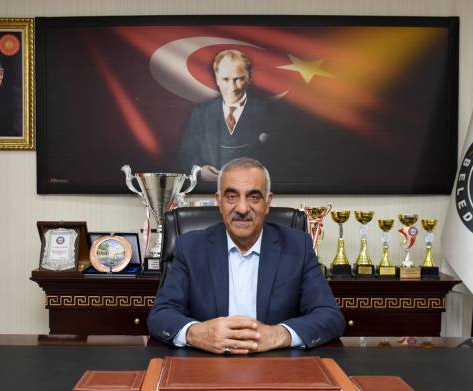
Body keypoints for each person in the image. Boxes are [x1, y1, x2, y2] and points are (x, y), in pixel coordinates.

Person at [147, 158, 345, 354]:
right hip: (207, 363)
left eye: (254, 197)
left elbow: (329, 316)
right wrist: (197, 333)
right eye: (231, 197)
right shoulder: (190, 247)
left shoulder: (297, 247)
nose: (242, 209)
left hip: (276, 364)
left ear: (268, 202)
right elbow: (161, 314)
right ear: (219, 201)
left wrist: (279, 335)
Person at [178, 50, 277, 182]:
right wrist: (199, 171)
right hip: (212, 189)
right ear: (217, 79)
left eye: (239, 79)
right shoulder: (201, 112)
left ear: (249, 78)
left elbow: (281, 157)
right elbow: (187, 153)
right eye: (225, 79)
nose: (232, 88)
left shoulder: (269, 112)